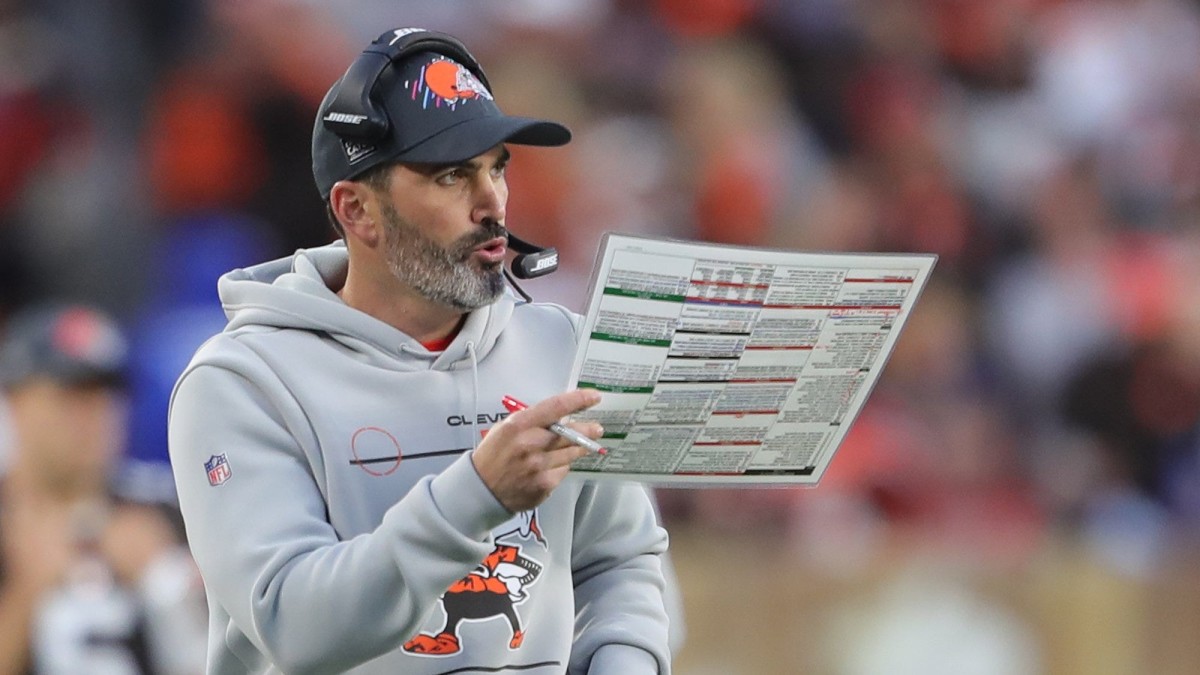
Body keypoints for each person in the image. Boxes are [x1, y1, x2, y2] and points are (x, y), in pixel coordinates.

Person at [167, 28, 674, 674]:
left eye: (496, 167)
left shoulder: (561, 346)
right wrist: (477, 494)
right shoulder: (241, 384)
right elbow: (292, 625)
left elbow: (618, 561)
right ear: (357, 211)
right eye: (452, 175)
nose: (492, 201)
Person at [0, 303, 207, 675]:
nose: (95, 415)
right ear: (15, 402)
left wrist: (168, 577)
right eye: (73, 395)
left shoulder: (169, 508)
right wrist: (28, 589)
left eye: (107, 396)